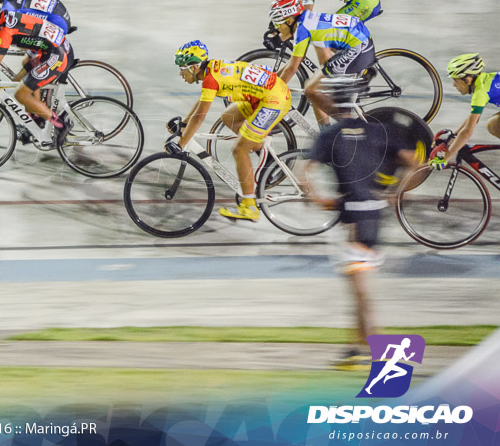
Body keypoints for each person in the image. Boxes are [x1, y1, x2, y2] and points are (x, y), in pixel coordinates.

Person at [301, 76, 418, 370]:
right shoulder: (380, 131)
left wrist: (319, 199)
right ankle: (354, 349)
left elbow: (306, 175)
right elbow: (414, 161)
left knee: (362, 294)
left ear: (333, 101)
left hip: (353, 220)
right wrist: (394, 191)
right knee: (359, 290)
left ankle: (387, 361)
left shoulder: (329, 135)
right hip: (375, 217)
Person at [166, 40, 292, 221]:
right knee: (228, 117)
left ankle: (249, 207)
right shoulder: (211, 70)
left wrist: (181, 143)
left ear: (194, 68)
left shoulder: (210, 79)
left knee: (239, 149)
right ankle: (262, 149)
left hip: (273, 100)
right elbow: (203, 101)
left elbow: (200, 117)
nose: (180, 73)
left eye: (182, 69)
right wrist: (184, 124)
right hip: (265, 94)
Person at [0, 0, 73, 137]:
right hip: (49, 51)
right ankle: (37, 119)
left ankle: (61, 125)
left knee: (20, 94)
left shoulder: (6, 30)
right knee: (19, 81)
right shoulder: (4, 19)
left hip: (57, 55)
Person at [268, 0, 376, 126]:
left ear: (289, 21)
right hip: (358, 42)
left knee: (310, 89)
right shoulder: (305, 19)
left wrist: (270, 92)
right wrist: (270, 80)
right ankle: (326, 134)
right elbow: (291, 63)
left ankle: (352, 127)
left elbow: (292, 68)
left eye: (277, 24)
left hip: (358, 49)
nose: (276, 28)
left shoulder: (302, 29)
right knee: (317, 92)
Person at [429, 54, 500, 168]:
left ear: (467, 79)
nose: (454, 85)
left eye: (456, 80)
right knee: (494, 123)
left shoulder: (481, 92)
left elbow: (467, 132)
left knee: (494, 124)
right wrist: (454, 136)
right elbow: (473, 119)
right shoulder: (485, 82)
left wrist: (445, 159)